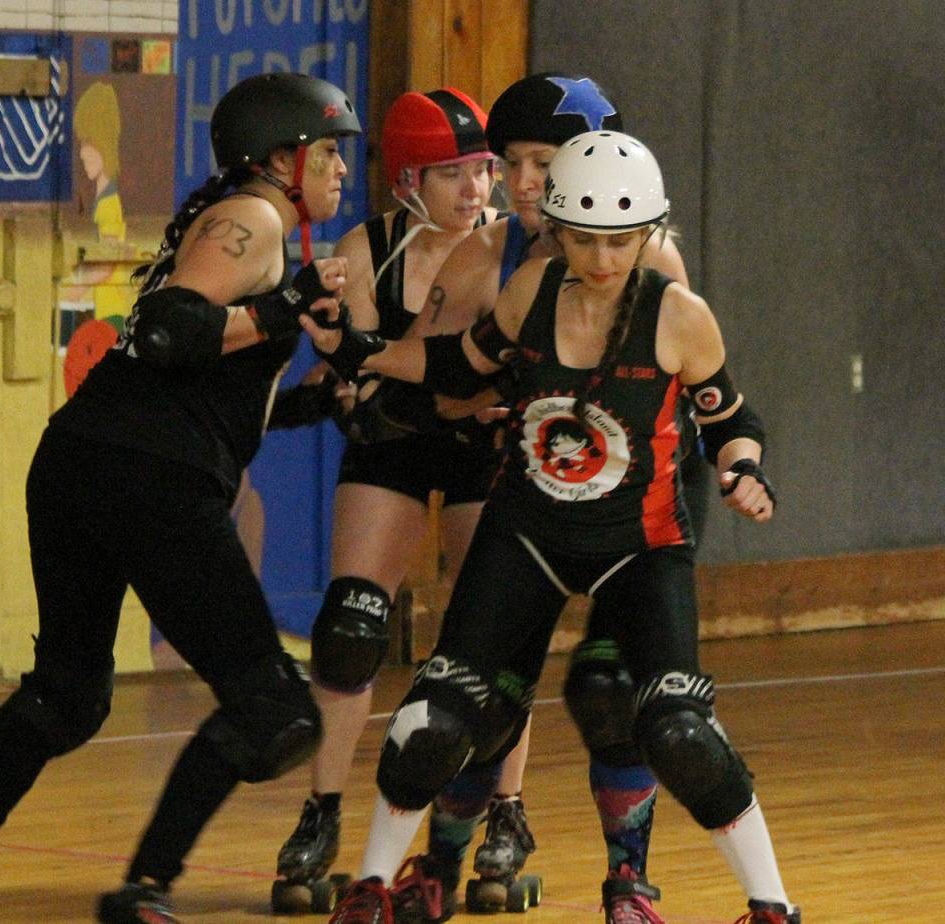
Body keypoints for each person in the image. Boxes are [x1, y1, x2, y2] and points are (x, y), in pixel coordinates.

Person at [302, 130, 798, 924]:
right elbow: (459, 365)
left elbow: (731, 419)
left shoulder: (679, 315)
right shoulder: (530, 288)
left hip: (639, 546)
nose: (604, 259)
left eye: (623, 241)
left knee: (679, 732)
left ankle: (771, 905)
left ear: (650, 232)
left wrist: (745, 470)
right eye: (586, 239)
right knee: (435, 721)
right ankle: (375, 885)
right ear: (558, 230)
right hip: (527, 534)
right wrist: (357, 349)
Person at [0, 72, 362, 924]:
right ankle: (145, 888)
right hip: (151, 478)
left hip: (83, 461)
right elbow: (167, 332)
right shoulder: (256, 218)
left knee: (67, 694)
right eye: (329, 152)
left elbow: (200, 387)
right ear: (281, 158)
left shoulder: (243, 221)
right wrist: (286, 309)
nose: (341, 169)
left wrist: (320, 401)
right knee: (273, 712)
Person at [397, 73, 693, 922]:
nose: (521, 183)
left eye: (541, 162)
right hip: (533, 496)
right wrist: (364, 361)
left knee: (610, 690)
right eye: (510, 163)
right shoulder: (489, 254)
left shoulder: (650, 257)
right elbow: (438, 374)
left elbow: (689, 396)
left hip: (636, 502)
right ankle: (442, 861)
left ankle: (629, 881)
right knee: (479, 691)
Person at [270, 86, 500, 915]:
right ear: (408, 180)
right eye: (452, 174)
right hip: (402, 442)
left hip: (481, 446)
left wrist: (372, 378)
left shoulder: (509, 248)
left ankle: (504, 812)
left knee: (493, 632)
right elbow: (360, 375)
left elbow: (387, 371)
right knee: (350, 629)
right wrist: (333, 377)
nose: (475, 189)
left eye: (482, 170)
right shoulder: (368, 250)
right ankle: (321, 813)